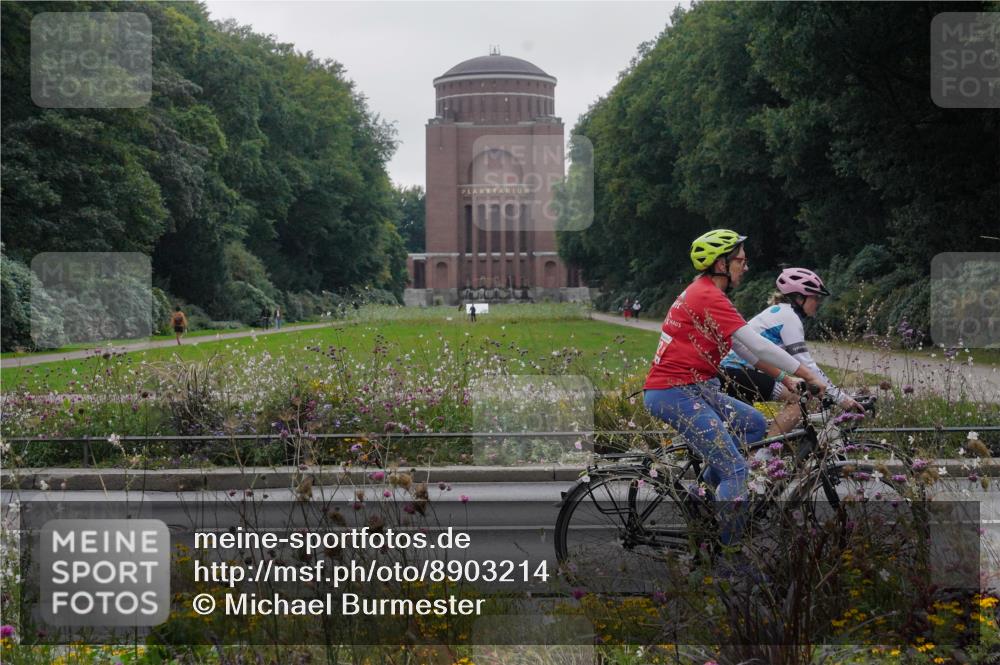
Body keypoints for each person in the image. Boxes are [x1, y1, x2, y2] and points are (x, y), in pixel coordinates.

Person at [642, 230, 827, 546]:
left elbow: (744, 349)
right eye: (740, 260)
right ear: (720, 263)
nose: (746, 266)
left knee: (754, 425)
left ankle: (704, 501)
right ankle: (728, 561)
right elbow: (759, 345)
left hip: (698, 388)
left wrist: (784, 379)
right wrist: (808, 375)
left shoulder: (709, 295)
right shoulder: (707, 296)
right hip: (676, 392)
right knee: (737, 472)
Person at [720, 268, 864, 435]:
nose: (818, 302)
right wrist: (841, 398)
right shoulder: (789, 317)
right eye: (815, 297)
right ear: (799, 298)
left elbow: (789, 363)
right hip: (740, 370)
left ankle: (758, 452)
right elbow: (807, 365)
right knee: (799, 399)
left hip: (736, 371)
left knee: (747, 433)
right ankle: (765, 456)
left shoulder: (780, 312)